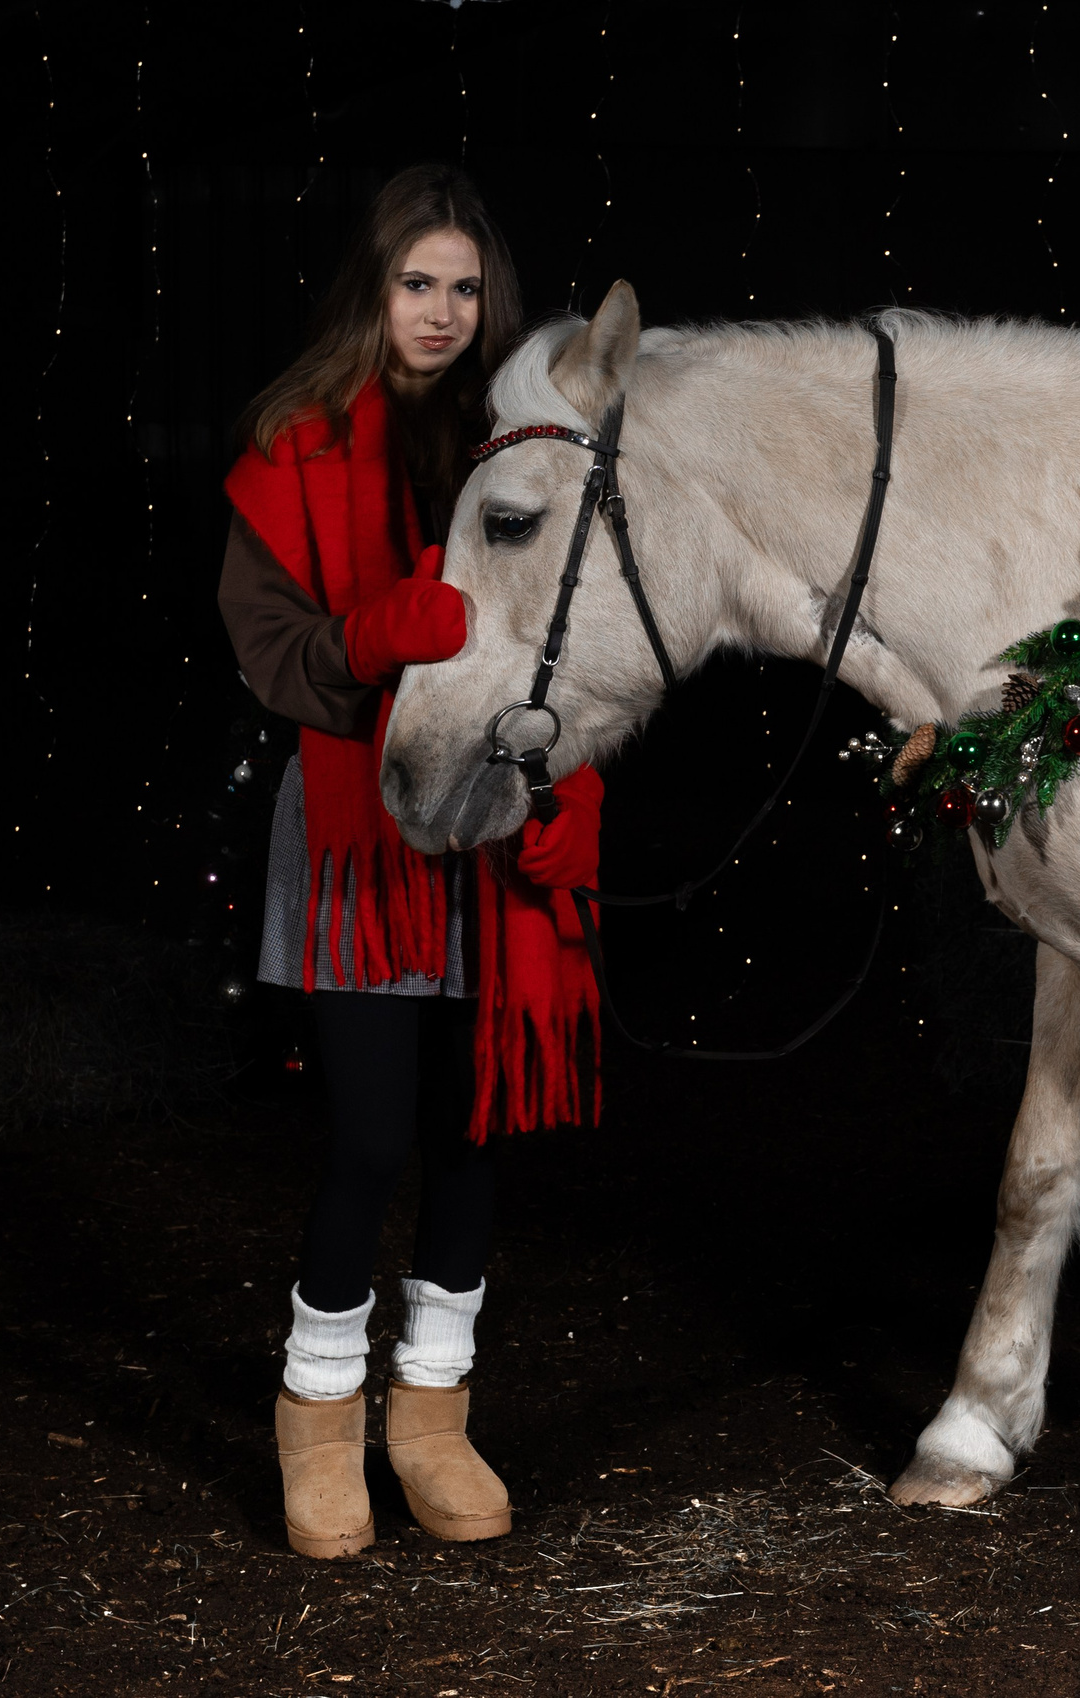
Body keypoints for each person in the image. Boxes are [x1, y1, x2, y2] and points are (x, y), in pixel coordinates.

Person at [218, 164, 607, 1560]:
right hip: (356, 832)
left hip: (491, 814)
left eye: (463, 286)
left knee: (472, 1133)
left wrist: (577, 791)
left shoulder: (524, 445)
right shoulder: (299, 443)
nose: (442, 311)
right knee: (371, 1135)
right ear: (374, 291)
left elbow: (579, 642)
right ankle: (317, 1415)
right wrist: (370, 636)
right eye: (416, 283)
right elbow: (272, 655)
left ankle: (432, 1420)